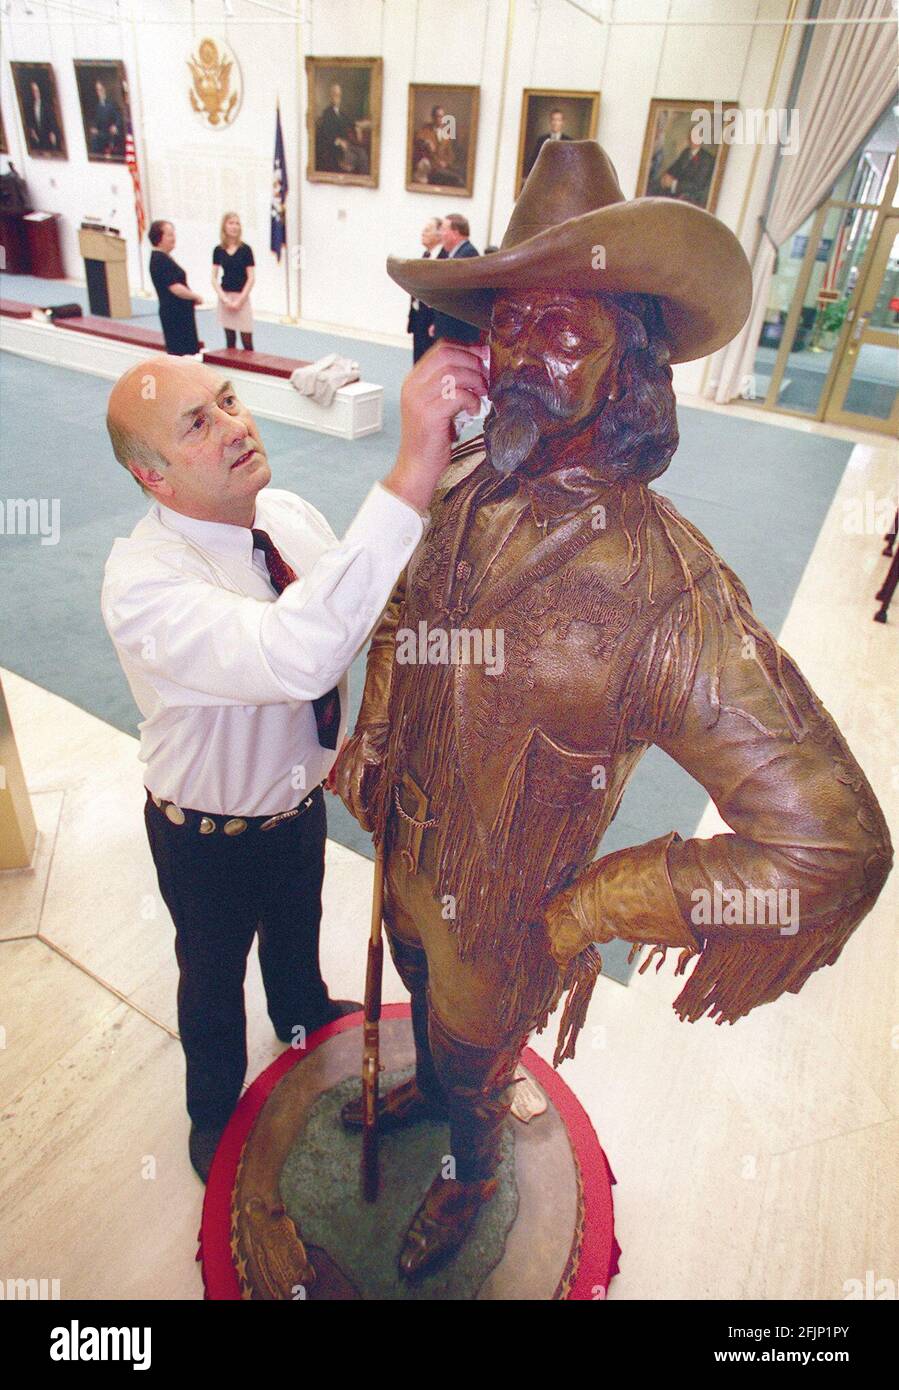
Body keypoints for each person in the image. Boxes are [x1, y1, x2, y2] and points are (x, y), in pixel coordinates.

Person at [336, 140, 893, 1282]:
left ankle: (473, 1166)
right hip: (403, 853)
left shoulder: (669, 596)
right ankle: (435, 1084)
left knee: (475, 1053)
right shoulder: (462, 479)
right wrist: (379, 734)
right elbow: (405, 614)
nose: (525, 358)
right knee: (421, 991)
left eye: (568, 331)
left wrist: (592, 907)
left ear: (628, 361)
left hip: (512, 919)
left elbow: (831, 841)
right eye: (509, 325)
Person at [100, 340, 488, 1183]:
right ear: (154, 477)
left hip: (295, 804)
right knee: (209, 978)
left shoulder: (286, 516)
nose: (234, 426)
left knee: (299, 924)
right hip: (204, 831)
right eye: (198, 424)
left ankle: (302, 1012)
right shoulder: (144, 584)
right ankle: (212, 1114)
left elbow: (360, 600)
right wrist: (412, 463)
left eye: (231, 401)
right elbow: (301, 652)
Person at [148, 220, 202, 357]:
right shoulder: (160, 260)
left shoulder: (163, 258)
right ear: (159, 238)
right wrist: (195, 296)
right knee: (180, 355)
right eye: (170, 235)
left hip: (179, 313)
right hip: (174, 315)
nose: (174, 238)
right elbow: (175, 288)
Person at [428, 215, 481, 346]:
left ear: (455, 233)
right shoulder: (457, 255)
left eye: (443, 230)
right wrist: (438, 322)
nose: (440, 234)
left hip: (458, 332)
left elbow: (457, 295)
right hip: (449, 328)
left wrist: (432, 298)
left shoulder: (467, 255)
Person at [212, 211, 255, 351]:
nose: (234, 226)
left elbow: (251, 278)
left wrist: (240, 300)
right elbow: (213, 278)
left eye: (237, 223)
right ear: (224, 226)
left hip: (241, 297)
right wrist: (224, 299)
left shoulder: (246, 249)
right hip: (226, 297)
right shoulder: (218, 250)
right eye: (231, 223)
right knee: (230, 340)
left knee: (247, 340)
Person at [407, 217, 441, 363]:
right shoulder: (426, 255)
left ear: (439, 234)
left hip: (431, 323)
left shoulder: (443, 259)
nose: (423, 233)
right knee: (418, 366)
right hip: (418, 321)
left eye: (427, 230)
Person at [525, 107, 571, 178]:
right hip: (544, 177)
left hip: (561, 179)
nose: (555, 123)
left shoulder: (569, 141)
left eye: (558, 120)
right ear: (550, 121)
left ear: (562, 122)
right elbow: (534, 161)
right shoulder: (541, 140)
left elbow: (570, 164)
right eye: (553, 120)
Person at [88, 79, 124, 158]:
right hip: (101, 133)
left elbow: (119, 117)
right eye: (98, 90)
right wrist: (93, 128)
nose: (99, 92)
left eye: (101, 89)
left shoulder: (112, 103)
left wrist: (116, 126)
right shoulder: (97, 107)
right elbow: (95, 121)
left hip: (111, 134)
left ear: (104, 89)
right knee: (94, 141)